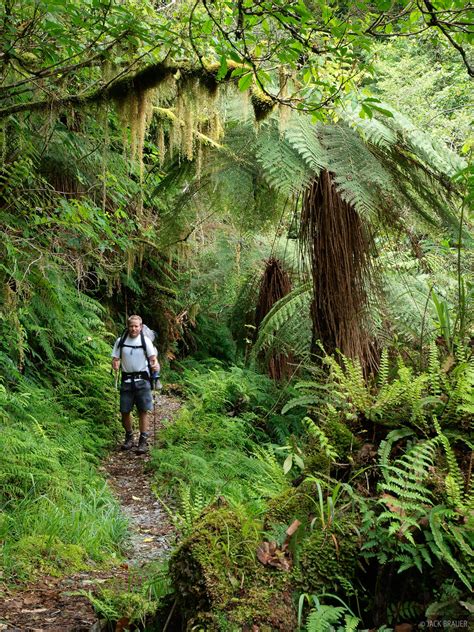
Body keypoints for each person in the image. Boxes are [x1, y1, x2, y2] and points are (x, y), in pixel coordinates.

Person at [111, 315, 160, 454]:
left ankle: (143, 441)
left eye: (136, 326)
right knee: (124, 411)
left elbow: (153, 359)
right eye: (131, 326)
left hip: (142, 380)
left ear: (141, 326)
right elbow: (115, 358)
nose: (133, 328)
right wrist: (115, 364)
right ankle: (129, 437)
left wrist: (155, 365)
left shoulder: (145, 341)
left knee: (143, 410)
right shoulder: (120, 341)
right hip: (126, 380)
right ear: (128, 326)